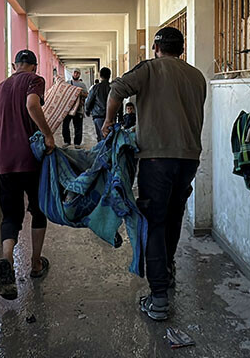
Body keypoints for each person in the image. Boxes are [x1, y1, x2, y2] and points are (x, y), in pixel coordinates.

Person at [102, 27, 206, 321]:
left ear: (156, 47)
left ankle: (159, 297)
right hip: (188, 158)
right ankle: (168, 271)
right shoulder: (197, 76)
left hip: (157, 158)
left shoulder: (149, 69)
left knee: (155, 221)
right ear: (181, 49)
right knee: (173, 217)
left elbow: (116, 90)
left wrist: (109, 122)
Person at [0, 50, 56, 300]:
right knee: (38, 211)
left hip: (3, 164)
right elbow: (32, 104)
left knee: (11, 216)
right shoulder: (35, 80)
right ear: (34, 66)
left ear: (14, 65)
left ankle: (7, 260)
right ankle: (35, 263)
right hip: (29, 160)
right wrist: (48, 134)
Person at [85, 67, 115, 141]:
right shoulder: (113, 87)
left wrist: (87, 111)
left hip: (98, 116)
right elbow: (118, 101)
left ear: (100, 76)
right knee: (110, 137)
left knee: (101, 137)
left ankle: (102, 151)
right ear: (109, 75)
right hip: (111, 116)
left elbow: (89, 101)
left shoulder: (95, 88)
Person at [62, 69, 88, 148]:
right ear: (72, 73)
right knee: (65, 126)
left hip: (78, 109)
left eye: (78, 73)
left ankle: (77, 143)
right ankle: (67, 141)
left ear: (79, 75)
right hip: (67, 109)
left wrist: (80, 93)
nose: (76, 74)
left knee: (78, 127)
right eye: (75, 72)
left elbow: (86, 95)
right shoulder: (67, 83)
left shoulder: (82, 85)